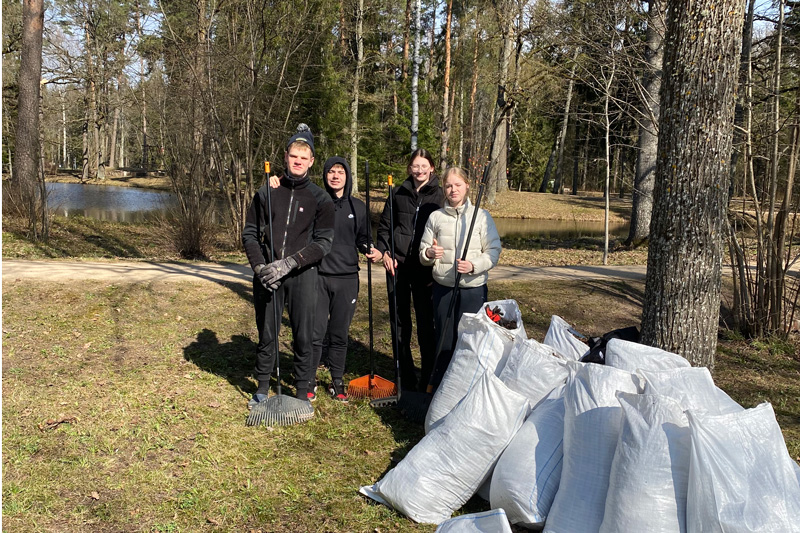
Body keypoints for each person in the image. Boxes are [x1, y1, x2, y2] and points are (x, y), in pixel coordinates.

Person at [241, 125, 335, 407]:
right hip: (268, 275)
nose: (298, 161)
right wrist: (261, 268)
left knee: (304, 334)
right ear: (285, 157)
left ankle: (303, 389)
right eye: (294, 156)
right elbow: (249, 234)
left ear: (311, 162)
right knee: (267, 333)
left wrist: (292, 262)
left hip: (303, 275)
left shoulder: (321, 199)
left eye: (303, 158)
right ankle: (263, 385)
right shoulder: (267, 192)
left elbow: (323, 243)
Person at [418, 166, 501, 391]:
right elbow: (423, 252)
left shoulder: (481, 217)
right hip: (443, 287)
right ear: (443, 189)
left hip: (473, 289)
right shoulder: (436, 217)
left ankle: (468, 386)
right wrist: (429, 254)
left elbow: (493, 251)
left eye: (457, 184)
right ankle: (440, 385)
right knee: (444, 339)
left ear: (467, 186)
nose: (453, 190)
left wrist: (473, 265)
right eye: (448, 185)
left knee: (470, 339)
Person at [310, 157, 383, 401]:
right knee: (316, 332)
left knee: (339, 333)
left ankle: (337, 382)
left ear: (347, 176)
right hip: (319, 277)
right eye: (331, 171)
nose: (335, 176)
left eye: (340, 172)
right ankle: (309, 380)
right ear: (325, 175)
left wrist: (370, 249)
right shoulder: (317, 203)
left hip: (347, 278)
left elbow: (363, 238)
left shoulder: (358, 207)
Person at [376, 148, 444, 392]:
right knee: (400, 322)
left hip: (426, 269)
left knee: (427, 324)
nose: (419, 170)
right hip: (398, 266)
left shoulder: (440, 196)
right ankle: (404, 374)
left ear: (432, 168)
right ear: (409, 169)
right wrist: (385, 252)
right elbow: (384, 227)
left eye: (424, 166)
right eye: (415, 166)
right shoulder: (398, 193)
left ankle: (428, 377)